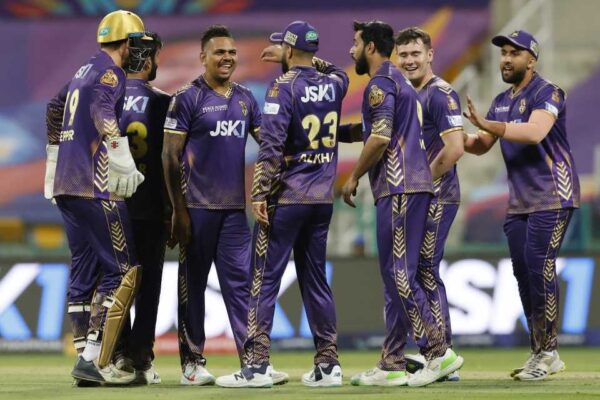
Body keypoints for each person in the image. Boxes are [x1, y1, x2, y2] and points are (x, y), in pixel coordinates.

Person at [216, 20, 349, 388]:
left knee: (263, 280)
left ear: (288, 50)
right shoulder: (335, 84)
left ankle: (256, 365)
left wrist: (259, 192)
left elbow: (271, 145)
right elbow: (336, 71)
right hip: (321, 199)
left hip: (287, 198)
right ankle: (328, 364)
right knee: (315, 280)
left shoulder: (282, 86)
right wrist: (303, 57)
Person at [341, 20, 463, 387]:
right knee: (397, 276)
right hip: (409, 188)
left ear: (371, 47)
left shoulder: (381, 84)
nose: (351, 50)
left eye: (355, 43)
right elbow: (376, 129)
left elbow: (379, 139)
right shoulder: (400, 83)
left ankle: (438, 352)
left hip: (399, 188)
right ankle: (392, 361)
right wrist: (333, 132)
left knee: (401, 275)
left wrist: (354, 176)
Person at [162, 25, 279, 386]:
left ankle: (254, 363)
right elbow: (169, 156)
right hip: (196, 210)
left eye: (231, 52)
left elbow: (269, 143)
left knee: (243, 287)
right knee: (192, 287)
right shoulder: (186, 98)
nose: (227, 58)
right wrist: (178, 210)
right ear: (203, 57)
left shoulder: (245, 99)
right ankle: (192, 364)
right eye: (219, 52)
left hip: (233, 213)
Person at [463, 30, 579, 381]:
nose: (506, 59)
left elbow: (534, 132)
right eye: (503, 53)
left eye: (514, 53)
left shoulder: (548, 92)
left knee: (539, 265)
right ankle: (539, 351)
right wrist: (450, 134)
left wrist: (487, 125)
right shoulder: (501, 100)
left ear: (532, 59)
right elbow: (481, 144)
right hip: (519, 202)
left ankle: (549, 353)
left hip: (553, 194)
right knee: (523, 273)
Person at [44, 10, 148, 385]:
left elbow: (54, 108)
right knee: (123, 271)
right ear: (126, 43)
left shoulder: (83, 69)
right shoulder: (110, 72)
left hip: (66, 185)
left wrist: (53, 158)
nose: (140, 51)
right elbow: (102, 110)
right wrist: (119, 155)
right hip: (95, 186)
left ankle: (84, 356)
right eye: (137, 43)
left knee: (85, 268)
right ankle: (92, 358)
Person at [394, 27, 465, 382]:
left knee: (424, 269)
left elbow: (455, 148)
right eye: (403, 55)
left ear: (430, 55)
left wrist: (423, 181)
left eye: (415, 54)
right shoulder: (408, 93)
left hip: (438, 193)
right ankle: (438, 353)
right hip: (421, 194)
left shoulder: (441, 94)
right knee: (419, 270)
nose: (409, 60)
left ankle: (442, 355)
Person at [118, 32, 169, 385]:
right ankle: (142, 357)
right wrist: (173, 210)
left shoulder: (106, 97)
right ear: (149, 60)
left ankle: (116, 354)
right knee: (148, 286)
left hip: (112, 209)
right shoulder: (163, 102)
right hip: (150, 208)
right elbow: (170, 161)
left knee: (116, 284)